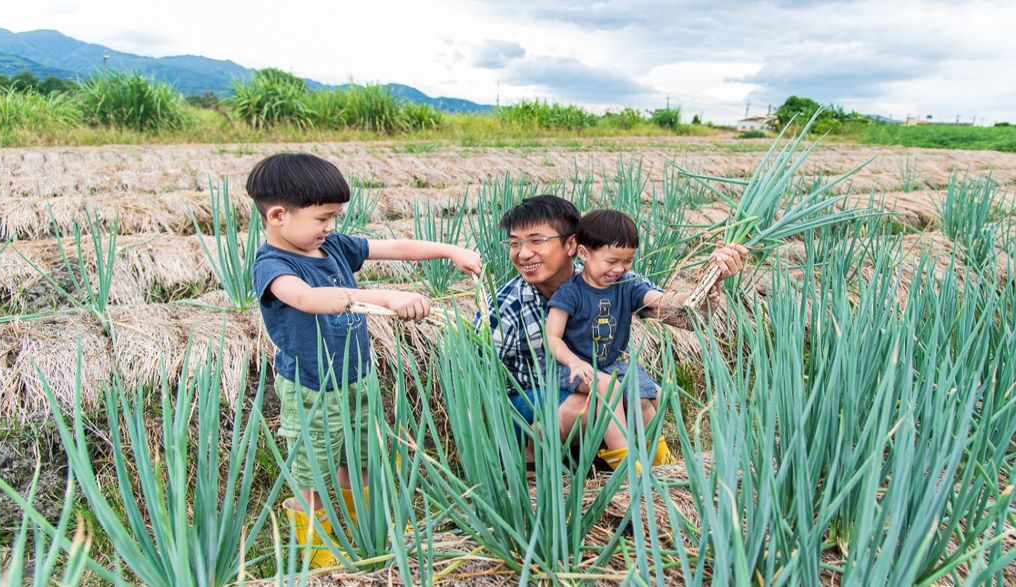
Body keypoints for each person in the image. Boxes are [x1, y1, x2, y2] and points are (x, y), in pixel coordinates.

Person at [248, 153, 480, 567]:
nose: (331, 227)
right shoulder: (273, 266)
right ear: (279, 216)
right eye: (322, 218)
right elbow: (309, 299)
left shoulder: (332, 246)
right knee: (314, 471)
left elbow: (396, 247)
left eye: (334, 217)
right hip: (311, 388)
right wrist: (385, 297)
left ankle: (367, 528)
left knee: (363, 456)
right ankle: (318, 553)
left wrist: (449, 250)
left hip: (357, 377)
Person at [480, 195, 746, 470]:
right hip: (529, 402)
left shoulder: (607, 276)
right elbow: (476, 379)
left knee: (648, 392)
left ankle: (650, 464)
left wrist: (713, 279)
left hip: (588, 380)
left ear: (572, 245)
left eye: (536, 241)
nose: (523, 253)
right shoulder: (505, 306)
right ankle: (534, 457)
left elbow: (681, 315)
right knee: (594, 402)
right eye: (515, 243)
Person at [545, 209, 683, 469]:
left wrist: (703, 287)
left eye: (627, 261)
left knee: (649, 396)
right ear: (584, 253)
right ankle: (626, 464)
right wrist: (574, 362)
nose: (620, 269)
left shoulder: (627, 285)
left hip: (612, 365)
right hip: (570, 367)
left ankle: (658, 459)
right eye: (612, 261)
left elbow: (657, 301)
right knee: (610, 388)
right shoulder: (570, 293)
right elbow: (552, 337)